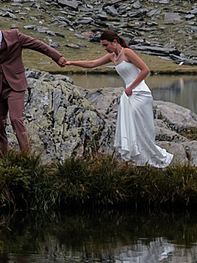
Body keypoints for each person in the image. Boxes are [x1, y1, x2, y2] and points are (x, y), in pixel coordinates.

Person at [58, 26, 169, 167]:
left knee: (141, 127)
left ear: (114, 41)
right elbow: (92, 64)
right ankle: (140, 160)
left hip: (140, 93)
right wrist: (71, 63)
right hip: (129, 94)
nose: (105, 48)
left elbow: (145, 70)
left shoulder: (127, 52)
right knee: (132, 126)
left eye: (106, 45)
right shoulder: (112, 56)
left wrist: (131, 87)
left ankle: (153, 158)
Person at [0, 18, 66, 158]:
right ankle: (4, 159)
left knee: (16, 119)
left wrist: (57, 57)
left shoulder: (15, 36)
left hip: (15, 85)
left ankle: (26, 157)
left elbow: (38, 45)